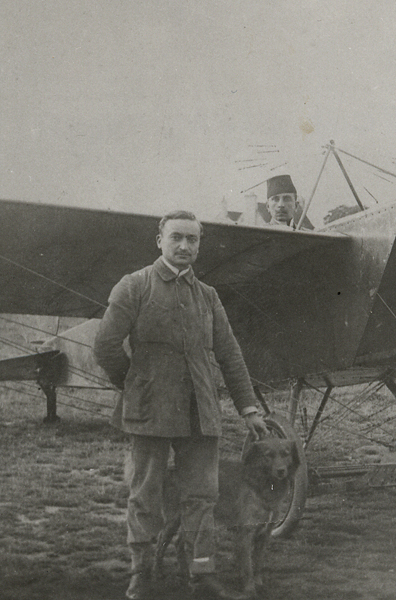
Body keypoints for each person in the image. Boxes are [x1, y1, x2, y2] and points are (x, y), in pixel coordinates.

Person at [94, 210, 268, 600]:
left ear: (199, 244)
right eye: (177, 238)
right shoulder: (134, 286)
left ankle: (201, 576)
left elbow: (230, 354)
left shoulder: (208, 296)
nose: (185, 246)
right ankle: (141, 575)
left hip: (200, 414)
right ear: (160, 241)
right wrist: (136, 386)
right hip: (149, 413)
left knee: (203, 497)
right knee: (145, 496)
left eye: (193, 239)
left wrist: (249, 408)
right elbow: (105, 346)